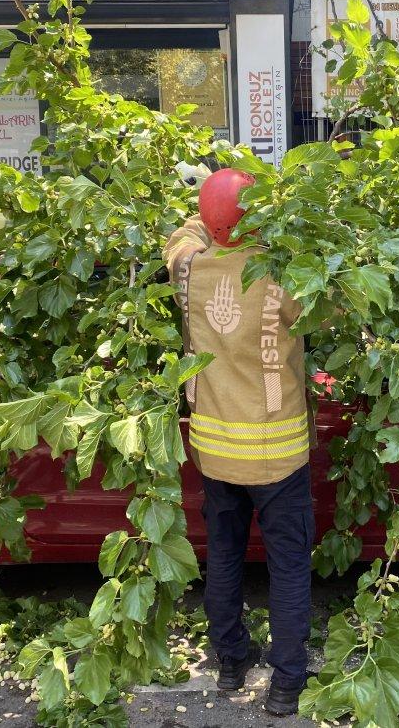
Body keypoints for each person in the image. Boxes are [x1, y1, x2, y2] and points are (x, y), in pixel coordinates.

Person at [163, 168, 314, 717]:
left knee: (224, 556)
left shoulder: (190, 270)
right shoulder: (287, 273)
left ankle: (230, 662)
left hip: (216, 449)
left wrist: (208, 205)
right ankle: (287, 682)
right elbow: (336, 299)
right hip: (278, 454)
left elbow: (181, 238)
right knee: (288, 566)